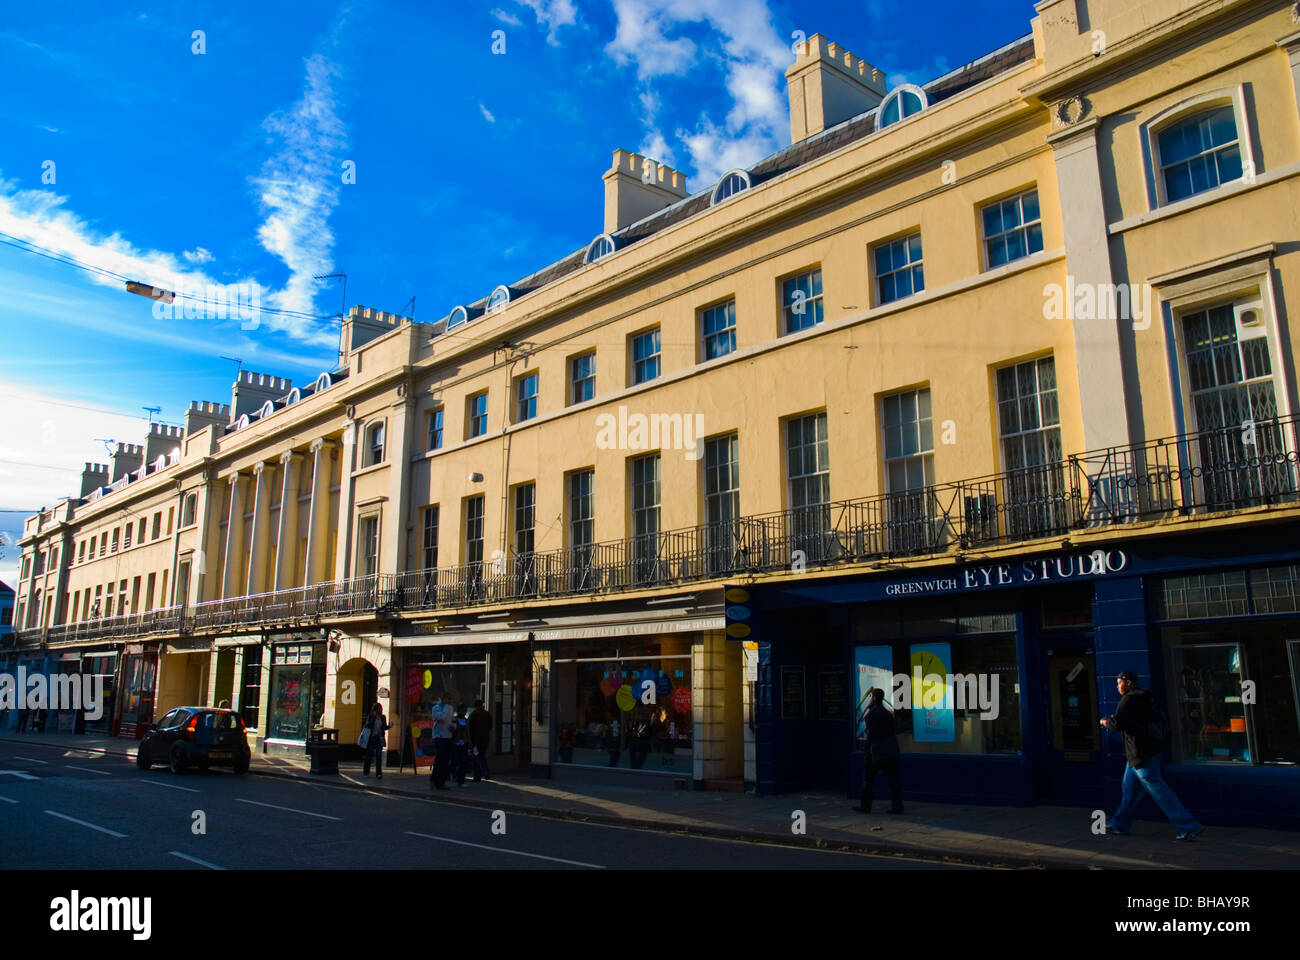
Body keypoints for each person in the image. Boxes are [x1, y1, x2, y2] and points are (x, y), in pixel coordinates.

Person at [1101, 670, 1203, 840]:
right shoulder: (1146, 697)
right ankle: (1119, 824)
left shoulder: (1129, 699)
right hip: (1148, 751)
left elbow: (1118, 723)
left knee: (1158, 790)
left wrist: (1105, 722)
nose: (1117, 686)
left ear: (1128, 683)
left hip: (1141, 753)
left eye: (1119, 682)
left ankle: (1189, 825)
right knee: (1129, 790)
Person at [856, 687, 903, 814]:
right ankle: (897, 807)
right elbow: (892, 731)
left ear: (874, 698)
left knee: (868, 779)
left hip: (876, 751)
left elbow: (871, 734)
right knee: (893, 781)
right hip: (890, 749)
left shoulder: (871, 714)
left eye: (871, 696)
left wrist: (867, 749)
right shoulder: (888, 713)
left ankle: (865, 806)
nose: (870, 699)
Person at [429, 696, 455, 790]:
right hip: (439, 736)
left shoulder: (450, 708)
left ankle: (441, 782)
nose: (449, 701)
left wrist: (453, 726)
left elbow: (451, 720)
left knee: (446, 760)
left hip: (448, 735)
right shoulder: (436, 708)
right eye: (448, 699)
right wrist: (446, 707)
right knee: (440, 758)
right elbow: (442, 718)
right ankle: (434, 780)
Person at [362, 702, 391, 779]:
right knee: (369, 755)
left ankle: (379, 773)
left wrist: (389, 726)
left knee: (379, 756)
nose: (379, 711)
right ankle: (366, 772)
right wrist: (373, 718)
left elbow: (384, 727)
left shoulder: (383, 717)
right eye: (377, 709)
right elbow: (368, 725)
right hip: (371, 738)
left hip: (379, 738)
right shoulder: (371, 717)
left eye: (379, 709)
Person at [467, 699, 493, 782]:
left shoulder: (473, 715)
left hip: (475, 740)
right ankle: (486, 771)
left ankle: (477, 776)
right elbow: (490, 726)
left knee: (476, 757)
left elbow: (469, 728)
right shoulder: (487, 714)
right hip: (485, 739)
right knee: (482, 756)